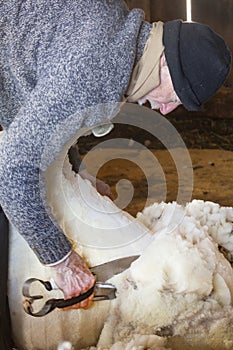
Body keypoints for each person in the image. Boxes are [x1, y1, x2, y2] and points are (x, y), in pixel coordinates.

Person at [0, 0, 231, 310]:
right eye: (175, 97)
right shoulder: (94, 71)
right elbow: (12, 170)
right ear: (164, 63)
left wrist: (78, 172)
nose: (166, 110)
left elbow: (57, 106)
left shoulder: (118, 33)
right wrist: (61, 259)